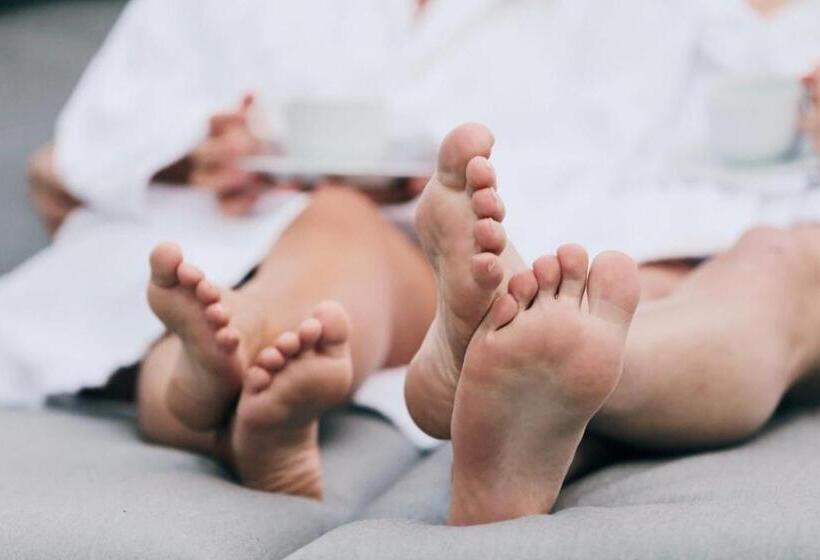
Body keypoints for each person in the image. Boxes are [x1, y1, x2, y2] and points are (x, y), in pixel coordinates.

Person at [11, 0, 820, 518]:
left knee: (766, 269)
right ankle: (231, 371)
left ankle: (565, 370)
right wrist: (194, 148)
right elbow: (69, 162)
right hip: (387, 243)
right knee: (333, 238)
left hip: (638, 236)